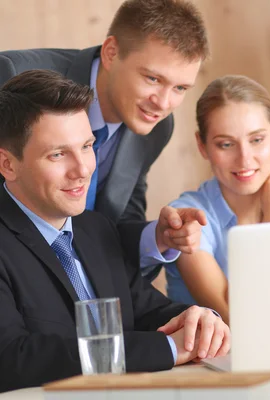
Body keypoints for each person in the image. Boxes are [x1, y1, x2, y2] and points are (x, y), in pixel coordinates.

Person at [0, 70, 230, 393]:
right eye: (58, 154)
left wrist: (200, 320)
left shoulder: (95, 228)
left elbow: (149, 311)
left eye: (86, 146)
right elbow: (13, 358)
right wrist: (168, 349)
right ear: (8, 164)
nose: (83, 169)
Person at [0, 0, 211, 280]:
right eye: (152, 79)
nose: (163, 103)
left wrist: (158, 237)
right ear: (111, 52)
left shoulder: (157, 127)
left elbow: (116, 220)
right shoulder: (12, 76)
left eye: (180, 87)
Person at [142, 75, 270, 324]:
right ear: (202, 146)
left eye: (257, 140)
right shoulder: (189, 219)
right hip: (219, 361)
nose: (244, 159)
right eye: (226, 144)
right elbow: (237, 319)